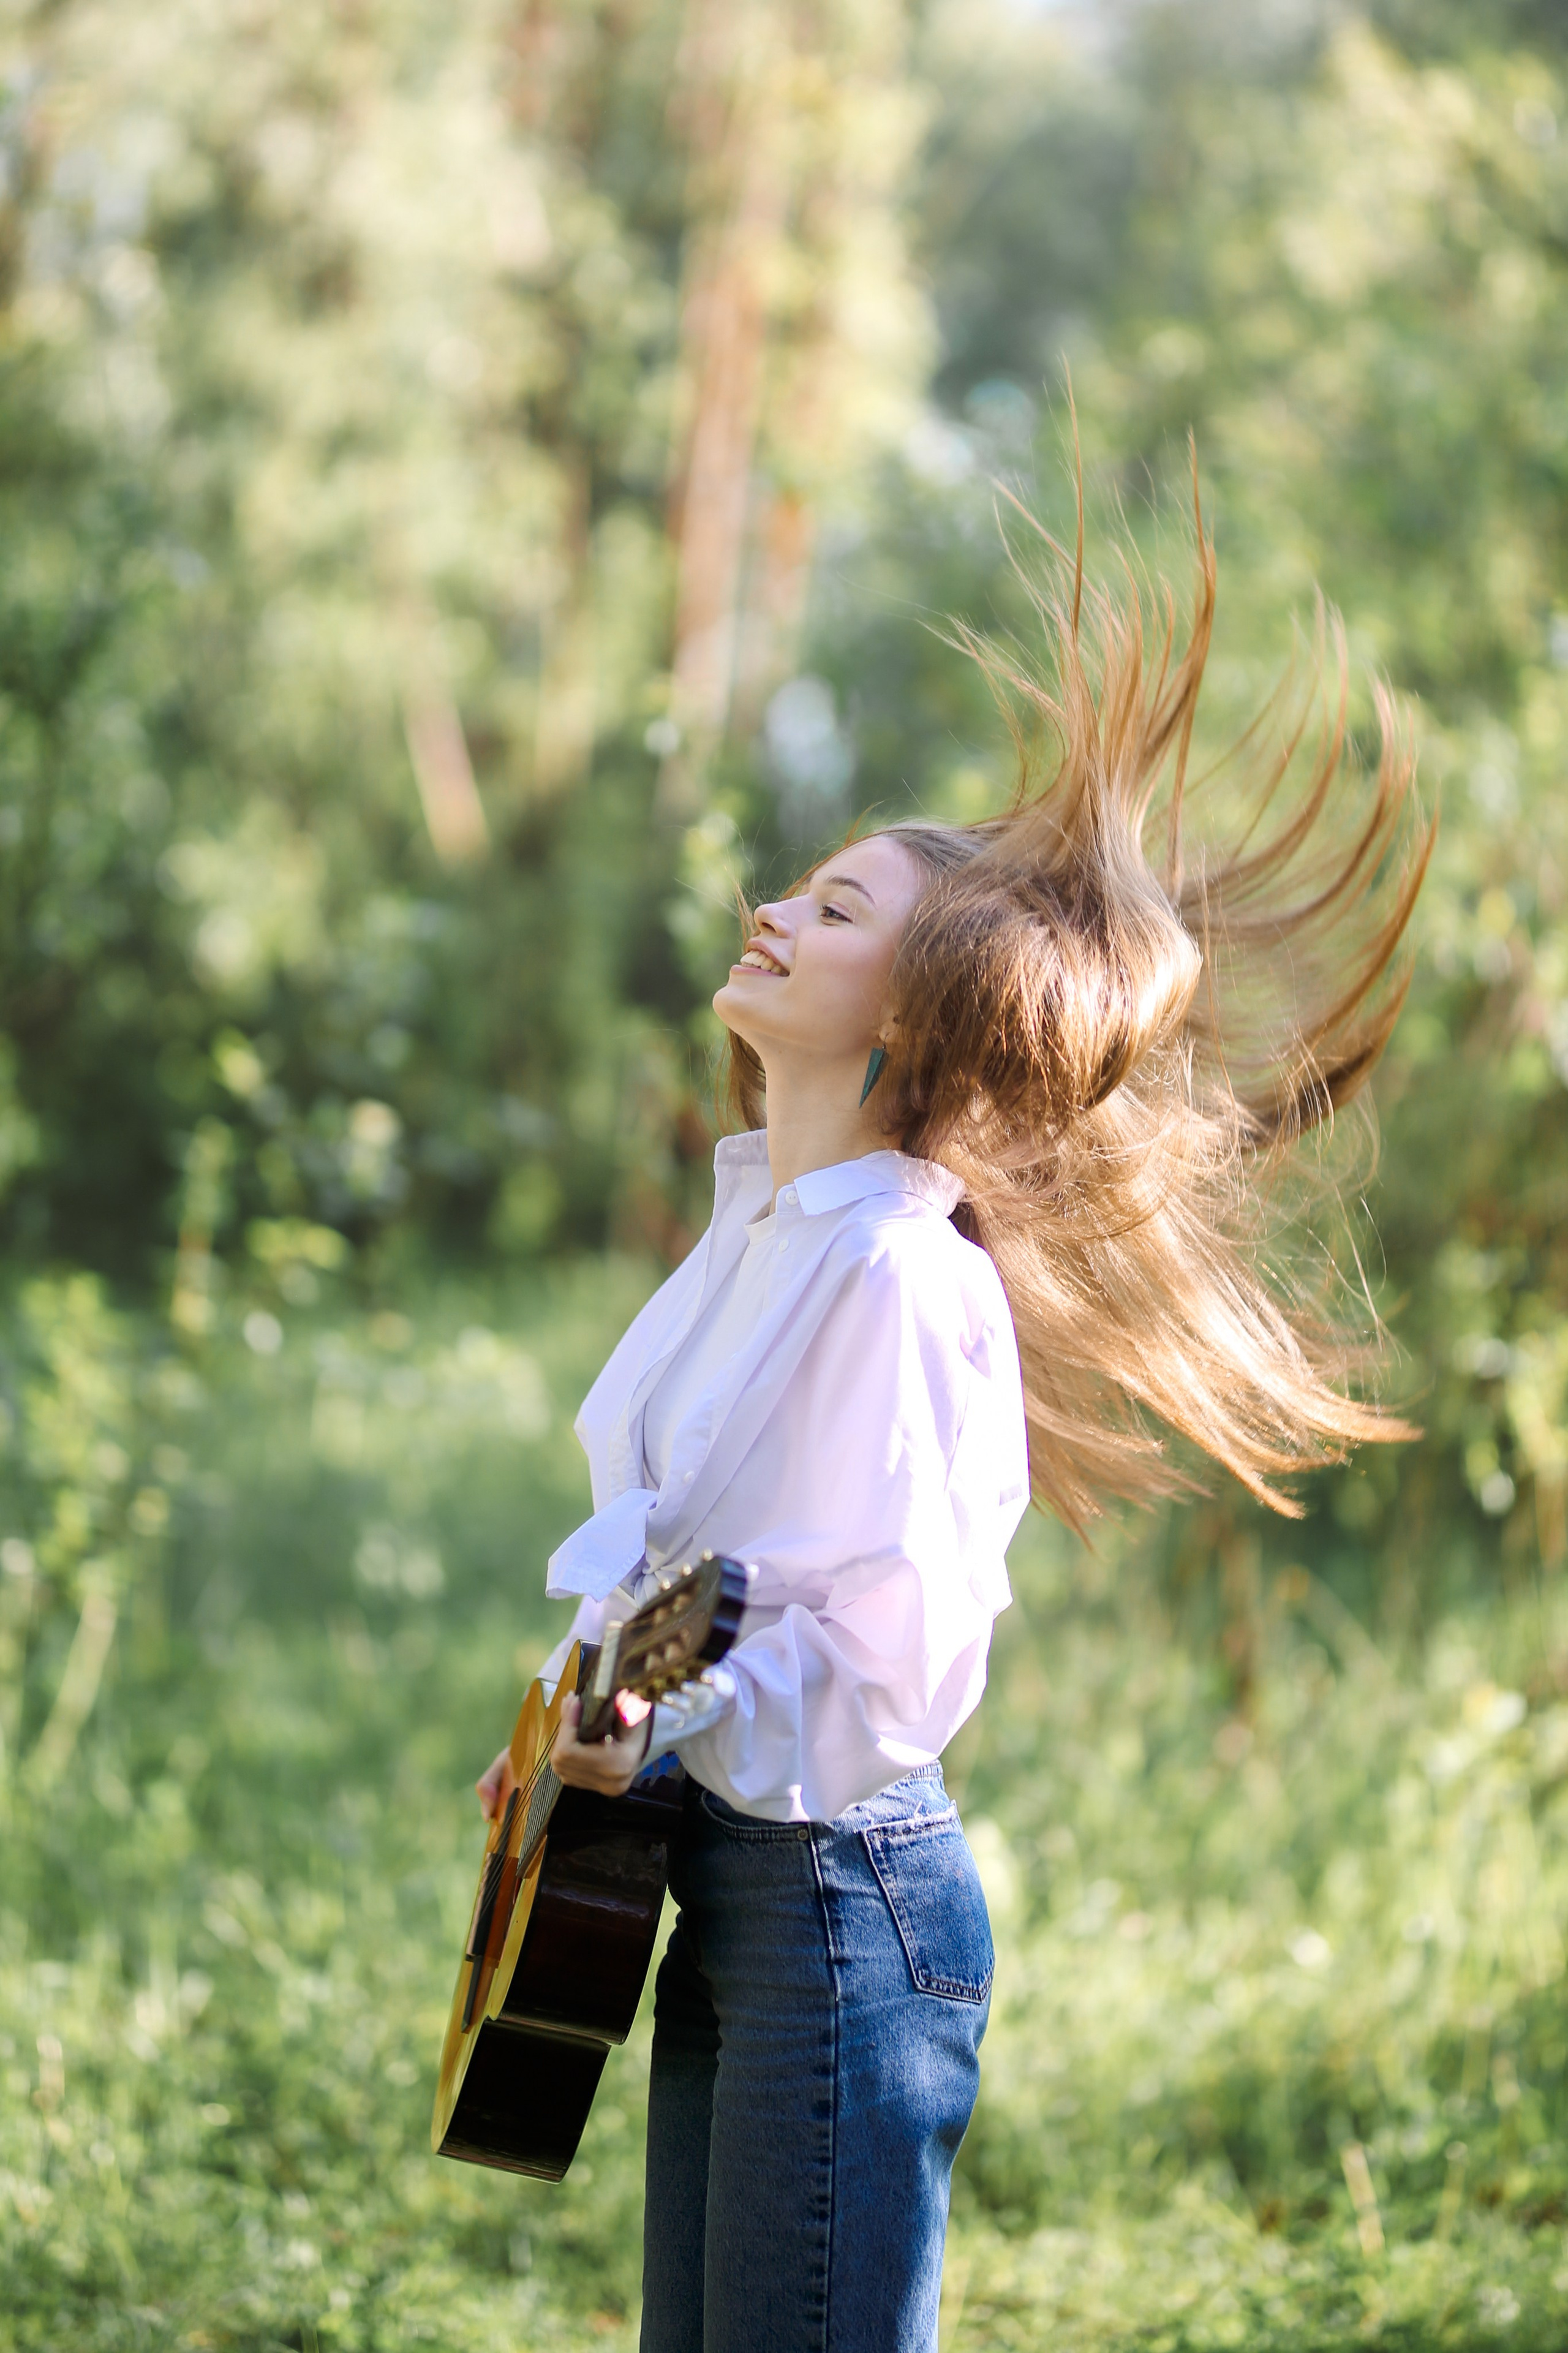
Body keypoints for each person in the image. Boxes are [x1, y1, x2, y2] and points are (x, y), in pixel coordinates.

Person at [477, 504, 1428, 2353]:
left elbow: (891, 1652)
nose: (773, 909)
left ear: (909, 1018)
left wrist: (675, 1702)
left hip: (842, 1910)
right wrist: (579, 1717)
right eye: (797, 886)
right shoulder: (758, 1226)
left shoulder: (905, 1276)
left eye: (834, 909)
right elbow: (684, 1555)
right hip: (720, 1873)